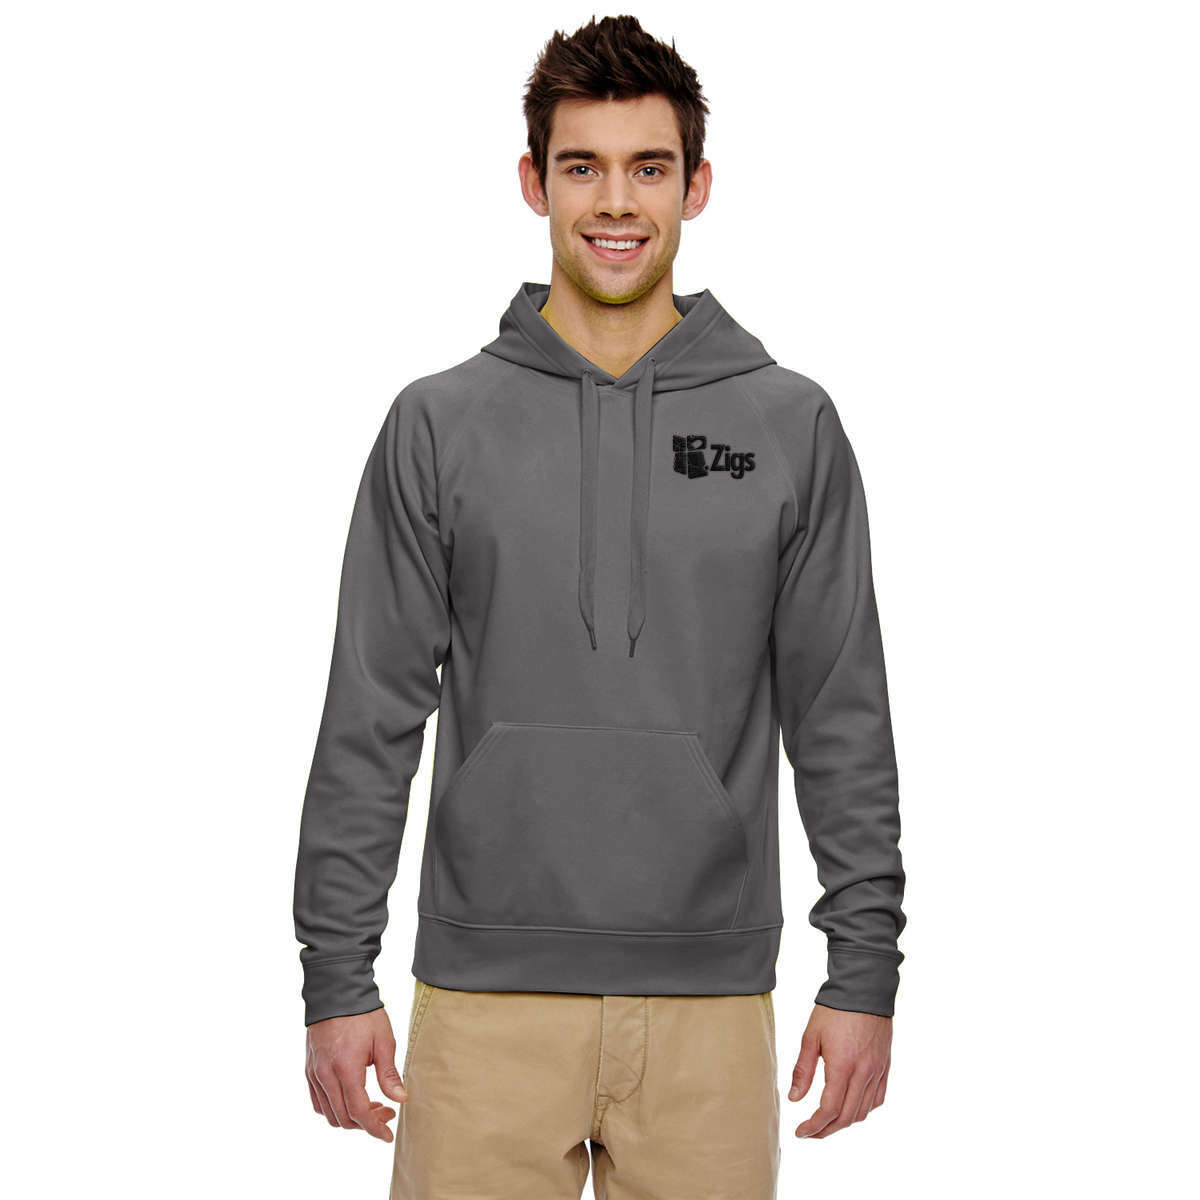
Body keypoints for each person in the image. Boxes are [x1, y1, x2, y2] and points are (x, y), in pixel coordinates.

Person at [293, 14, 906, 1198]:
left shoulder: (790, 426)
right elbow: (369, 714)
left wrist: (863, 969)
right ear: (534, 183)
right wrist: (336, 973)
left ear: (697, 186)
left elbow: (842, 716)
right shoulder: (438, 426)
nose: (616, 202)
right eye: (582, 167)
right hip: (481, 1003)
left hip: (711, 1008)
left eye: (648, 168)